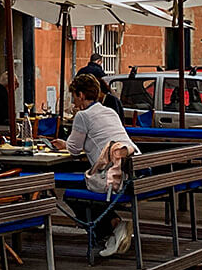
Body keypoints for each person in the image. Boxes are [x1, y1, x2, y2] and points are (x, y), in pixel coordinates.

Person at [54, 74, 139, 257]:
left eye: (74, 96)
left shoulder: (83, 116)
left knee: (71, 193)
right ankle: (114, 226)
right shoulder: (109, 111)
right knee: (81, 187)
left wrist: (64, 144)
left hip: (113, 178)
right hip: (133, 172)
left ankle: (111, 228)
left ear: (82, 95)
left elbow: (74, 150)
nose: (74, 100)